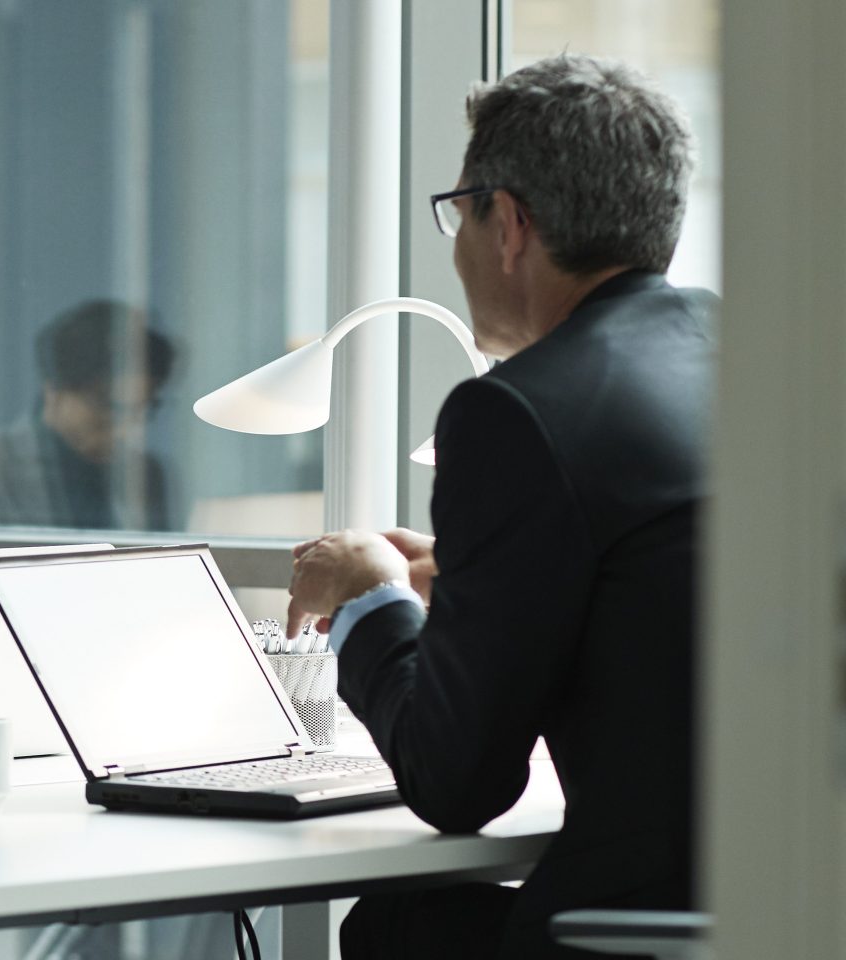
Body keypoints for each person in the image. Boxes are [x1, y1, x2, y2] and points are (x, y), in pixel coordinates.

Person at [283, 55, 715, 960]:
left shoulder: (515, 411)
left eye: (459, 211)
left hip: (644, 925)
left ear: (509, 223)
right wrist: (479, 572)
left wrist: (370, 595)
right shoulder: (736, 346)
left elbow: (456, 782)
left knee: (395, 932)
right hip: (778, 902)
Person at [0, 300, 177, 530]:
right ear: (54, 390)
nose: (126, 430)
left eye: (142, 410)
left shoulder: (146, 474)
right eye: (108, 406)